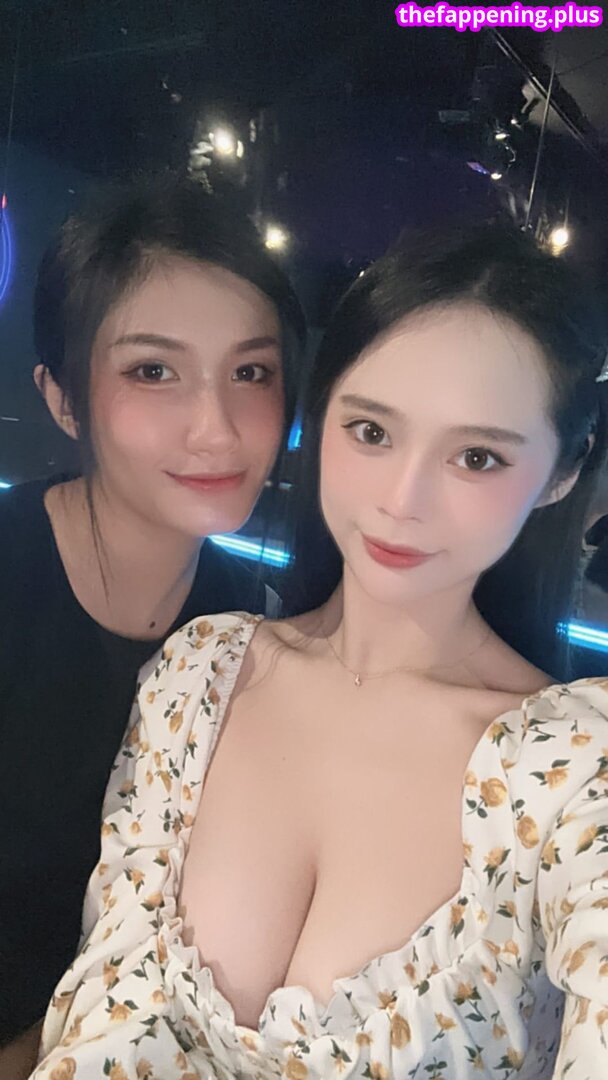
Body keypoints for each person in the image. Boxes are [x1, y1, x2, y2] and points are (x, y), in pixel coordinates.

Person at [32, 223, 608, 1080]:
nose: (402, 499)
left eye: (477, 456)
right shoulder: (199, 673)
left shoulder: (573, 770)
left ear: (563, 471)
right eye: (371, 432)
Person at [0, 175, 305, 1056]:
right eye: (153, 371)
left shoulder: (248, 635)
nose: (217, 428)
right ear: (62, 398)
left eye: (250, 372)